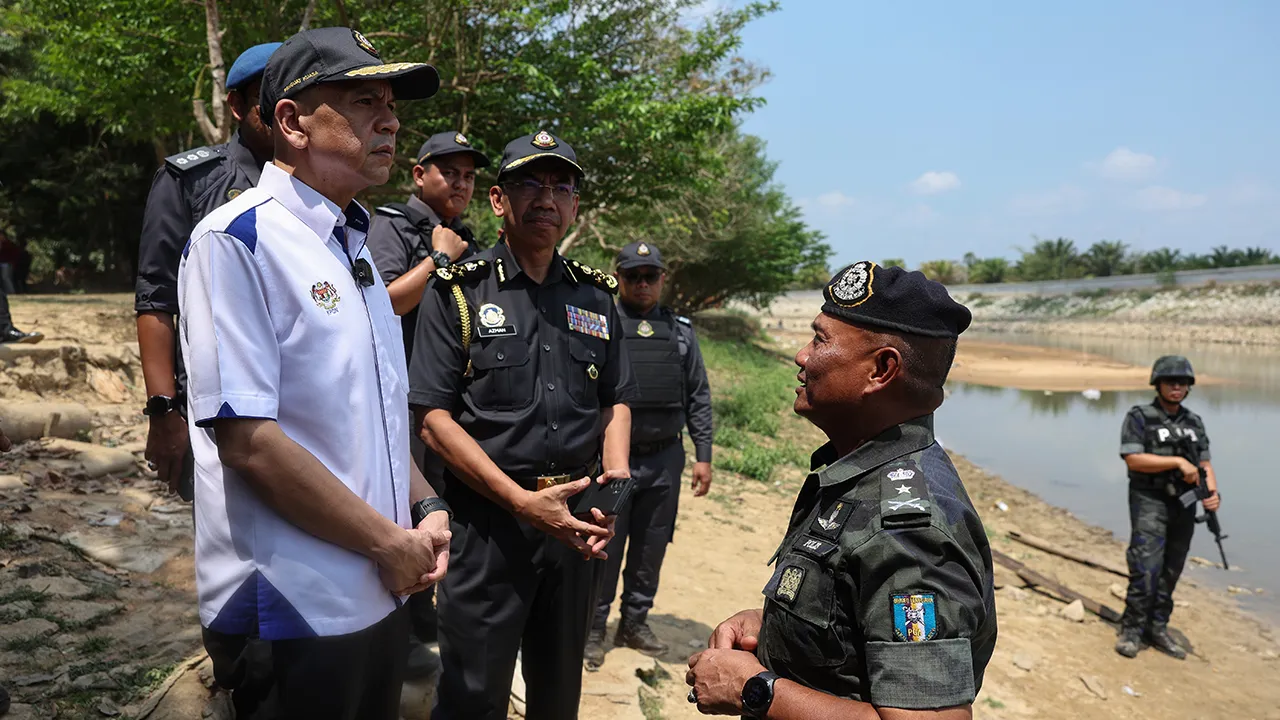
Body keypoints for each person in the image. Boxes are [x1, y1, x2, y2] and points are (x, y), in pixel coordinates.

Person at [177, 27, 448, 719]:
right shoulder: (238, 241)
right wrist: (391, 543)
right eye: (363, 102)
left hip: (381, 587)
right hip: (296, 606)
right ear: (293, 122)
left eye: (391, 103)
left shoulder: (353, 248)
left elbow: (376, 418)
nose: (390, 120)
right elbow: (248, 442)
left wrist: (426, 505)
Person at [686, 261, 997, 718]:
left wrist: (754, 688)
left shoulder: (909, 531)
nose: (801, 355)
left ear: (881, 370)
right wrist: (774, 633)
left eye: (820, 340)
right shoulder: (856, 472)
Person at [409, 130, 637, 720]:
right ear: (497, 200)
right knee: (471, 697)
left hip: (578, 525)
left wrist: (614, 482)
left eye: (562, 187)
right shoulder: (459, 291)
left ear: (575, 207)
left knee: (558, 695)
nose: (547, 199)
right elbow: (433, 419)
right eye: (530, 184)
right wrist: (519, 501)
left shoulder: (596, 296)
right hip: (489, 527)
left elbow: (615, 400)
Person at [365, 130, 490, 679]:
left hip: (451, 402)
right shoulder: (390, 225)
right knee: (404, 508)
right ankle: (408, 627)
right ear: (420, 175)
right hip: (402, 399)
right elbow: (386, 301)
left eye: (468, 176)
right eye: (449, 172)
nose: (460, 183)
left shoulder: (469, 239)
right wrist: (438, 258)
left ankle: (432, 616)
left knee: (447, 508)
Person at [135, 41, 281, 499]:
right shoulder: (193, 182)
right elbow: (156, 299)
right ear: (236, 105)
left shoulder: (327, 187)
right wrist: (164, 412)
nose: (280, 108)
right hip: (219, 413)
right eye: (265, 95)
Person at [586, 241, 713, 668]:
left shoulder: (679, 331)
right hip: (613, 462)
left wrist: (704, 455)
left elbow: (698, 395)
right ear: (617, 278)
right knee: (606, 543)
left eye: (651, 276)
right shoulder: (599, 324)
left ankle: (634, 622)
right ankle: (593, 627)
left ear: (662, 279)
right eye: (633, 276)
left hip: (665, 459)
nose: (643, 283)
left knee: (651, 546)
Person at [1115, 355, 1218, 660]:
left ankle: (1157, 627)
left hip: (1183, 504)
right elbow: (1133, 458)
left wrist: (1212, 494)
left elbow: (1205, 463)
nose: (1176, 387)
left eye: (1182, 382)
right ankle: (1131, 629)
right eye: (1170, 381)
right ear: (1157, 384)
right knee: (1146, 567)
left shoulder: (1193, 422)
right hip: (1150, 500)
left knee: (1172, 569)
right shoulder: (1140, 416)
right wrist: (1175, 461)